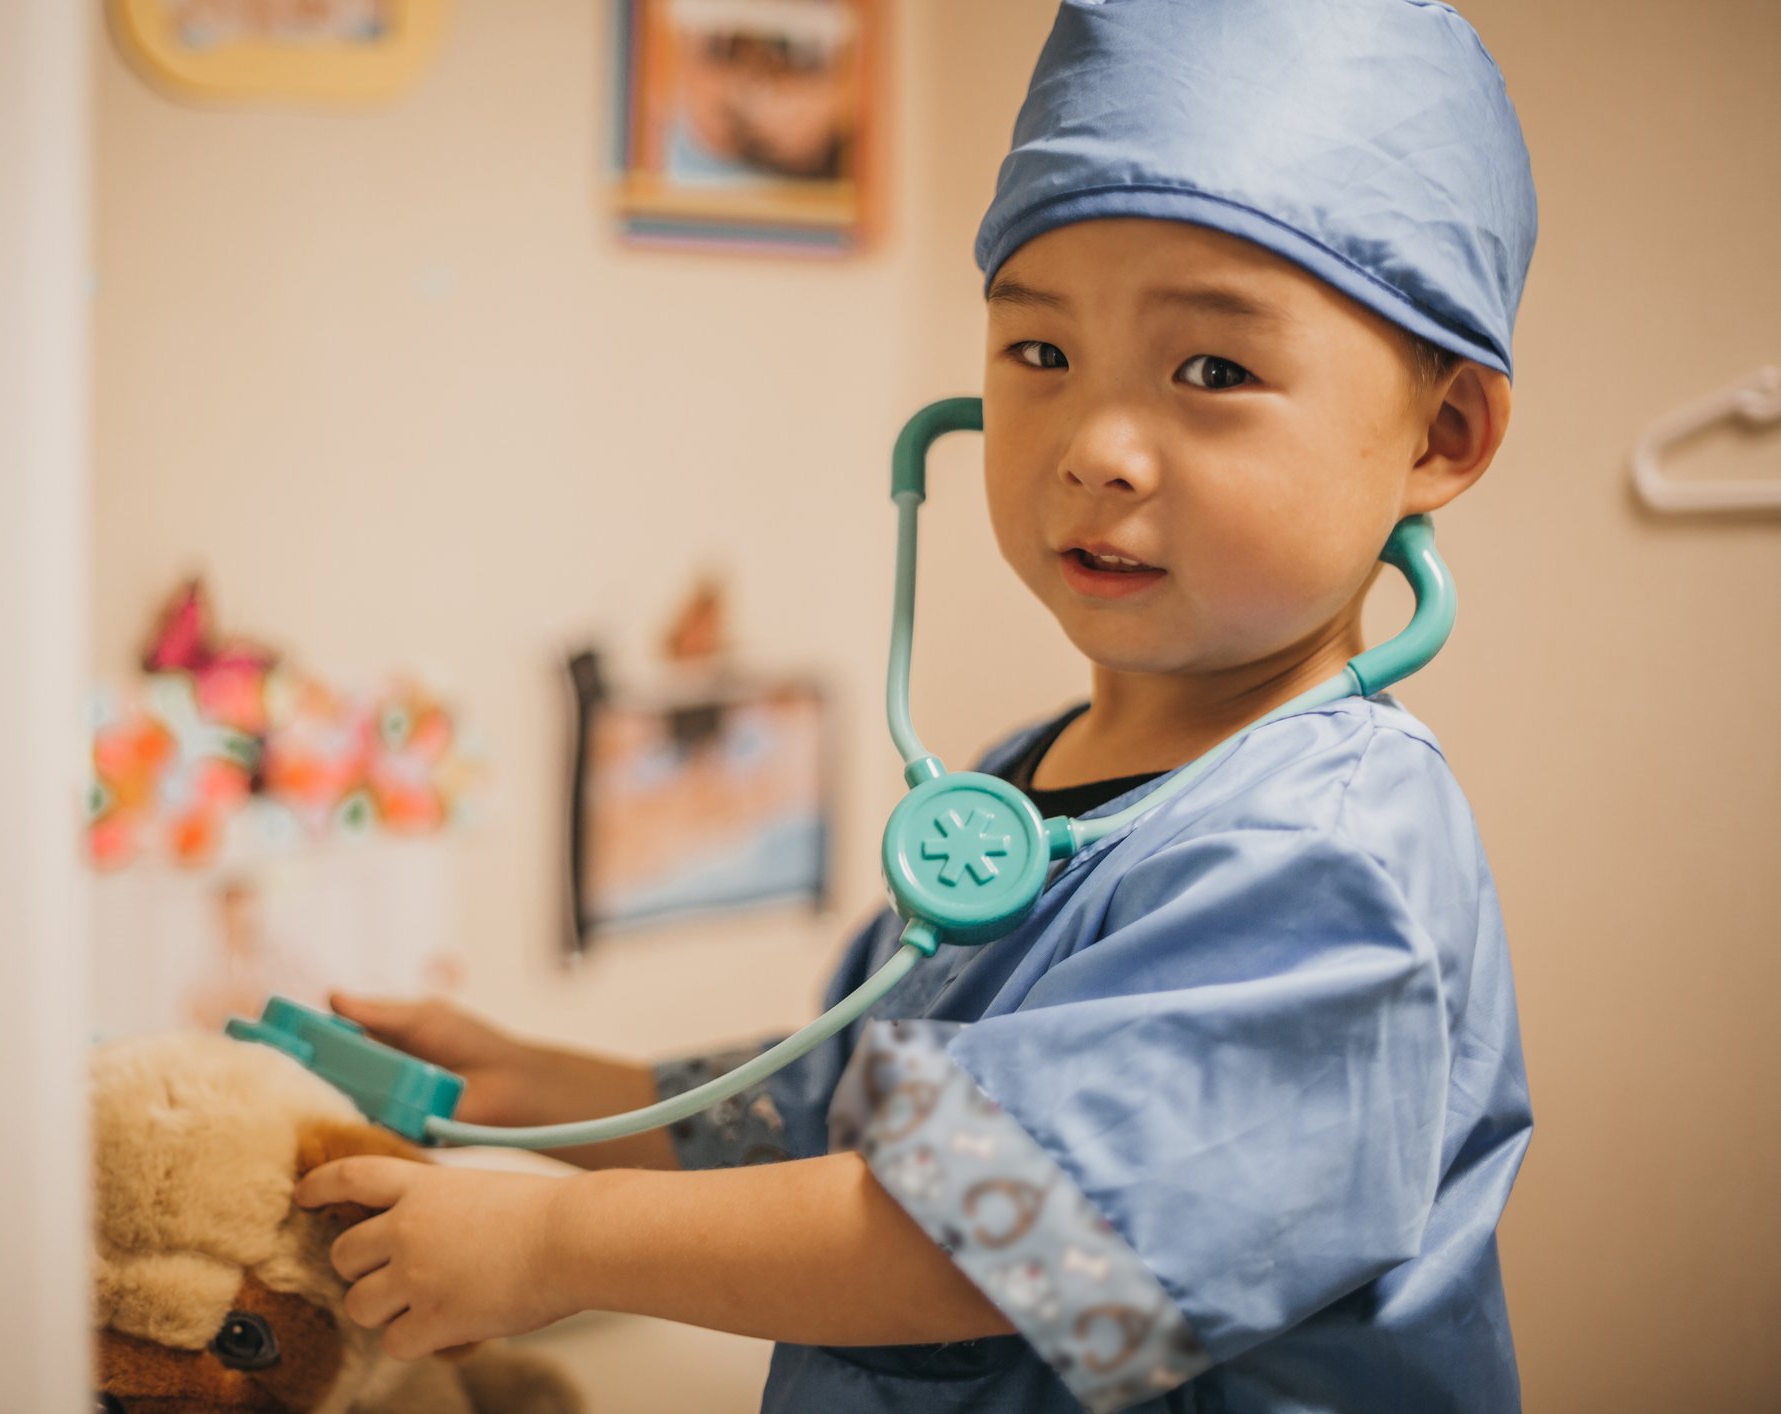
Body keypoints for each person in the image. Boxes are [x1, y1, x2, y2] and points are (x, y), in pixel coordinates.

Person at [292, 2, 1538, 1408]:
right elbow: (879, 1122)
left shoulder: (1327, 857)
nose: (1095, 448)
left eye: (1210, 371)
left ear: (1441, 438)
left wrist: (558, 1242)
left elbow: (1017, 1243)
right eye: (1040, 353)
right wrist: (559, 1094)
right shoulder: (1025, 777)